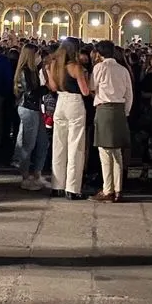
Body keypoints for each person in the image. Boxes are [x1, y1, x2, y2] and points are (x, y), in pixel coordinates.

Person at [89, 41, 134, 202]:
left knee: (104, 151)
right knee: (117, 153)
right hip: (120, 110)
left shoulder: (99, 68)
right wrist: (126, 112)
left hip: (104, 109)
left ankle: (108, 189)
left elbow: (91, 86)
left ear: (99, 53)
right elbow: (129, 94)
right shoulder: (123, 70)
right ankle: (118, 189)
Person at [48, 38, 91, 200]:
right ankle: (72, 188)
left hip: (60, 102)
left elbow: (52, 87)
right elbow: (85, 91)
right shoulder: (75, 67)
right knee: (76, 146)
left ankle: (56, 185)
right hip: (74, 103)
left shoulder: (54, 65)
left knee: (58, 145)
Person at [13, 44, 48, 191]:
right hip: (28, 107)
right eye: (37, 54)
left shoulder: (33, 70)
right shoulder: (25, 71)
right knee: (28, 143)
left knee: (43, 141)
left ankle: (37, 173)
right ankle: (25, 176)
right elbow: (31, 92)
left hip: (34, 108)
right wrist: (47, 87)